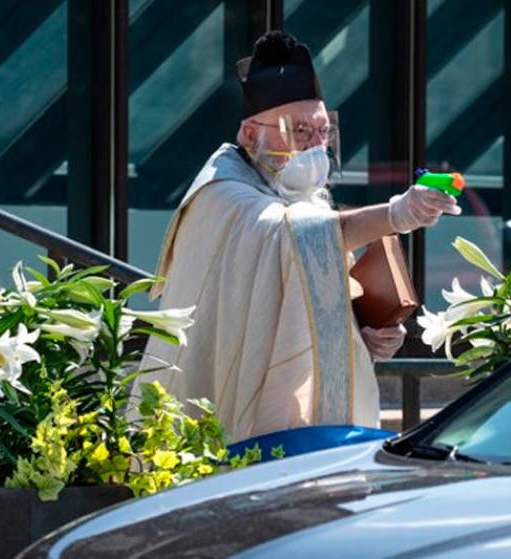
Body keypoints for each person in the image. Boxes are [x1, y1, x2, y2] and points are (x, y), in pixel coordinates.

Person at [139, 30, 460, 442]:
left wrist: (363, 333)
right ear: (252, 134)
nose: (315, 146)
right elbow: (295, 238)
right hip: (227, 401)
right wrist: (396, 214)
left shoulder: (298, 195)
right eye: (299, 131)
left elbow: (303, 294)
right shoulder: (221, 194)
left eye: (323, 131)